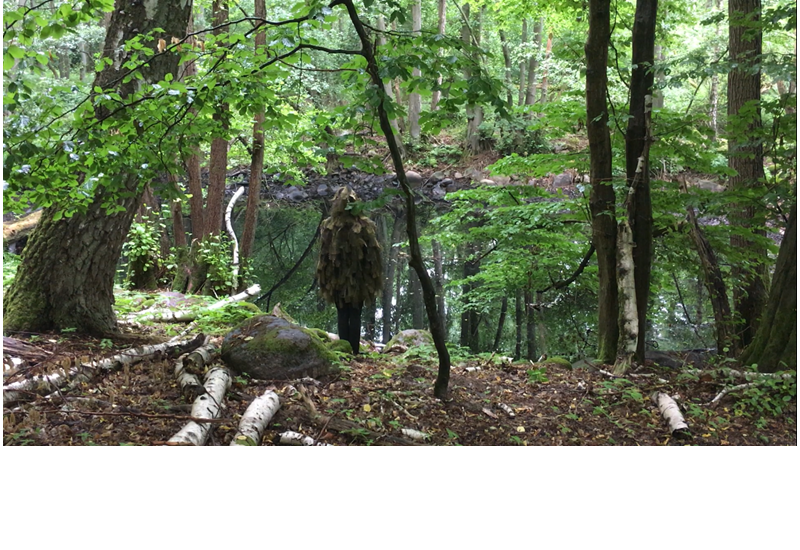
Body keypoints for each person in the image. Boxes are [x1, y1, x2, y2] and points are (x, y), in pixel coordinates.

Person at [316, 186, 383, 354]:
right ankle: (351, 350)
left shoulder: (331, 225)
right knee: (352, 313)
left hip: (349, 279)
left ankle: (346, 350)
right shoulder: (337, 226)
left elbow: (372, 255)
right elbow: (325, 256)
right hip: (346, 279)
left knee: (345, 313)